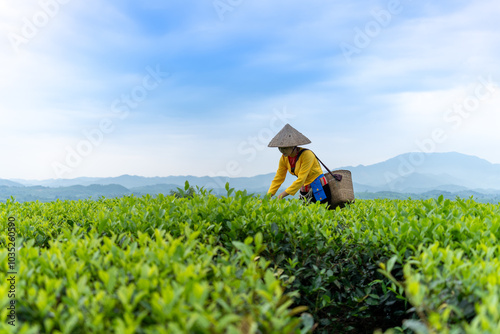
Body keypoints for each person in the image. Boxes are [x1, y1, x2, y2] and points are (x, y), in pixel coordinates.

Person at [267, 124, 332, 208]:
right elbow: (278, 178)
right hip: (304, 188)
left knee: (322, 212)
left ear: (293, 146)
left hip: (319, 187)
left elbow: (301, 179)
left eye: (285, 148)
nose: (281, 150)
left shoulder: (307, 155)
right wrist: (268, 196)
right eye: (280, 148)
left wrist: (281, 195)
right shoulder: (284, 158)